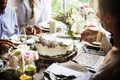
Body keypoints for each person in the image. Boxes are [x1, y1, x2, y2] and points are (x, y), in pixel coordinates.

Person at [91, 0, 120, 80]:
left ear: (108, 17)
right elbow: (111, 52)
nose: (97, 15)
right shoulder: (116, 46)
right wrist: (102, 35)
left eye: (98, 10)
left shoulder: (107, 72)